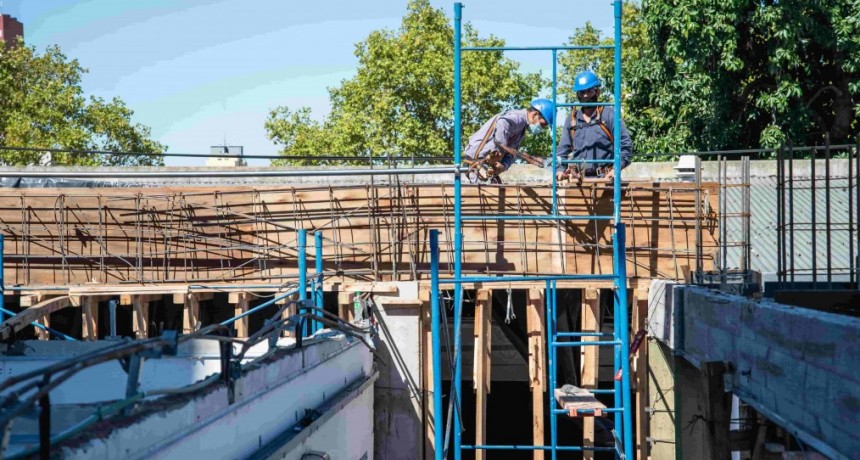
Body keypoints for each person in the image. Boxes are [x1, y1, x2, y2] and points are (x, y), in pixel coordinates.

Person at [554, 71, 632, 182]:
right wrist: (560, 169)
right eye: (581, 92)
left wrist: (615, 169)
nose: (585, 96)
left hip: (605, 179)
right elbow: (562, 149)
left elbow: (625, 145)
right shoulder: (572, 119)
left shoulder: (609, 115)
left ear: (597, 92)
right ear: (577, 94)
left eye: (589, 91)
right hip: (579, 180)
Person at [463, 98, 555, 184]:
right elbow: (502, 123)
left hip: (485, 167)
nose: (541, 128)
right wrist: (499, 152)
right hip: (476, 164)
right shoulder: (517, 118)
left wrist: (503, 166)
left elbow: (512, 153)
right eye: (542, 124)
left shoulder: (521, 129)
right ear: (534, 114)